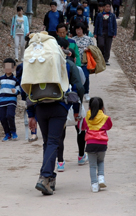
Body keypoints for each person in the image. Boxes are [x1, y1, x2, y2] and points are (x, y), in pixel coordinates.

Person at [27, 34, 84, 195]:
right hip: (58, 107)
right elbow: (78, 87)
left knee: (47, 142)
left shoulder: (37, 63)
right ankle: (44, 177)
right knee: (53, 142)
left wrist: (31, 114)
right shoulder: (66, 64)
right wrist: (77, 109)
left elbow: (28, 87)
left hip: (40, 107)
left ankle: (50, 178)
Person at [55, 39, 86, 173]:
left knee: (61, 134)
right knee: (80, 130)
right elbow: (80, 84)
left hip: (61, 102)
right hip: (74, 102)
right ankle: (80, 156)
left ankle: (60, 162)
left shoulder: (56, 66)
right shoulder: (76, 68)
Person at [82, 97, 112, 193]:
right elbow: (109, 126)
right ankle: (101, 178)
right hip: (102, 144)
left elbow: (82, 127)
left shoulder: (86, 118)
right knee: (101, 161)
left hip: (90, 143)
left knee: (92, 165)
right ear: (102, 108)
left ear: (89, 107)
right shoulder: (105, 118)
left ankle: (94, 185)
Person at [0, 58, 20, 141]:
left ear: (13, 68)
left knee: (10, 115)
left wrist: (15, 91)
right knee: (2, 118)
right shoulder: (1, 78)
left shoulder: (15, 79)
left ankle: (13, 132)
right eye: (6, 67)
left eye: (9, 67)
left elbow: (18, 89)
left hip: (11, 100)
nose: (7, 69)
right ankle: (7, 133)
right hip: (2, 101)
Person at [73, 22, 96, 102]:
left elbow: (94, 48)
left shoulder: (88, 39)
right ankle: (77, 93)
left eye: (80, 29)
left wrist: (88, 49)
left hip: (85, 62)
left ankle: (86, 93)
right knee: (77, 78)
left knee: (86, 77)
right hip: (75, 63)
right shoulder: (73, 39)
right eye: (77, 29)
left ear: (83, 30)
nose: (78, 31)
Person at [15, 63, 38, 142]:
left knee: (39, 112)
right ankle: (33, 133)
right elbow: (18, 79)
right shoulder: (21, 66)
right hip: (28, 93)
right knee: (31, 113)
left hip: (39, 91)